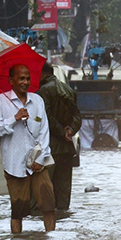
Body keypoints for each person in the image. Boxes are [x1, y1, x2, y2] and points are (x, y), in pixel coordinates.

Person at [0, 64, 56, 234]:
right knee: (18, 211)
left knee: (48, 206)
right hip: (14, 164)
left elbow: (44, 131)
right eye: (21, 78)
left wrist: (40, 159)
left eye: (27, 78)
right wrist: (14, 118)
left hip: (39, 164)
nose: (25, 82)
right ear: (11, 80)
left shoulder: (37, 100)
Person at [37, 62, 82, 211]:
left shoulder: (43, 91)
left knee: (46, 192)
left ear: (43, 74)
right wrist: (70, 131)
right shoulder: (68, 89)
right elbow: (77, 116)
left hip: (50, 147)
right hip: (67, 148)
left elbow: (46, 117)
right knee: (63, 191)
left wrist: (62, 134)